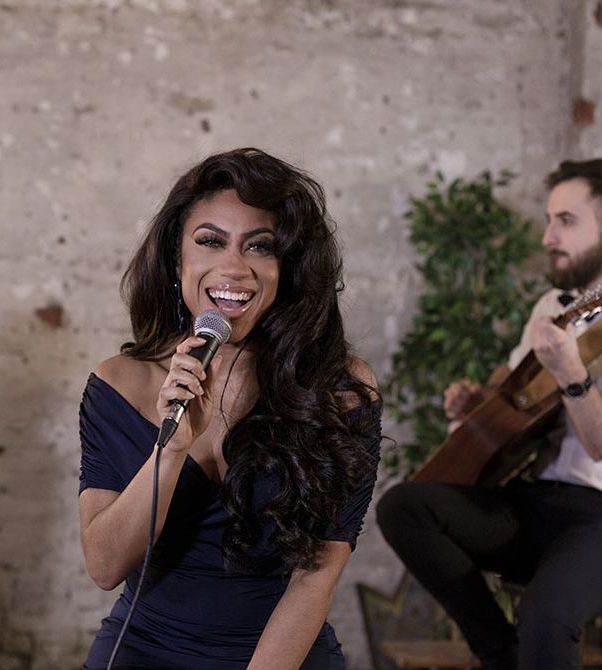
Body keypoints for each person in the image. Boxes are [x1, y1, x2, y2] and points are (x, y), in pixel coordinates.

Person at [78, 147, 381, 669]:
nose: (233, 267)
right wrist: (171, 451)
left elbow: (317, 575)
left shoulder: (340, 391)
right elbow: (105, 567)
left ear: (288, 269)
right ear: (177, 261)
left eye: (260, 246)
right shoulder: (117, 385)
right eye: (210, 241)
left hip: (281, 654)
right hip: (145, 647)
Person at [377, 158, 602, 670]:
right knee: (405, 507)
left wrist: (572, 373)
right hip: (541, 501)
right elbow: (513, 401)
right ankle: (501, 656)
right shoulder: (551, 307)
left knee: (546, 614)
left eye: (565, 221)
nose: (548, 237)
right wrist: (476, 408)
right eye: (550, 220)